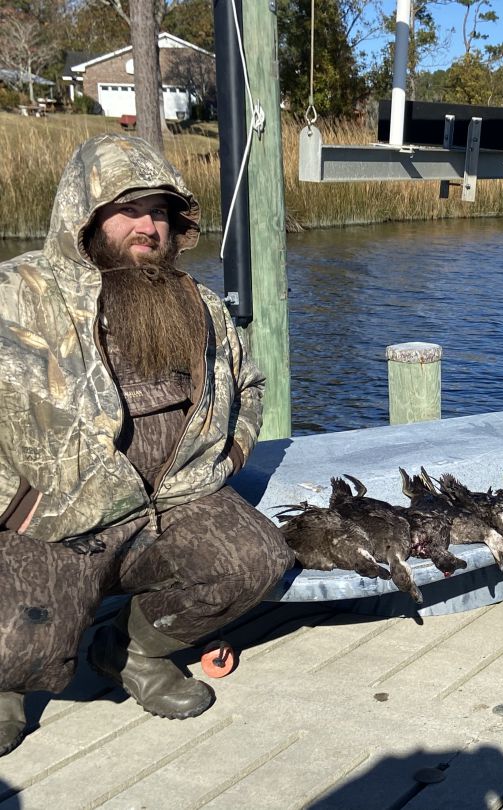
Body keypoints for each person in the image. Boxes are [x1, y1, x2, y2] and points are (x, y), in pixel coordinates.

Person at [0, 135, 293, 757]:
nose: (148, 225)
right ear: (86, 213)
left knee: (256, 561)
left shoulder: (198, 303)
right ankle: (5, 690)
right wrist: (12, 504)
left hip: (180, 497)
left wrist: (230, 456)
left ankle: (130, 650)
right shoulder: (18, 292)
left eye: (159, 211)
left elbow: (249, 384)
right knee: (14, 641)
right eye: (129, 209)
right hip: (62, 510)